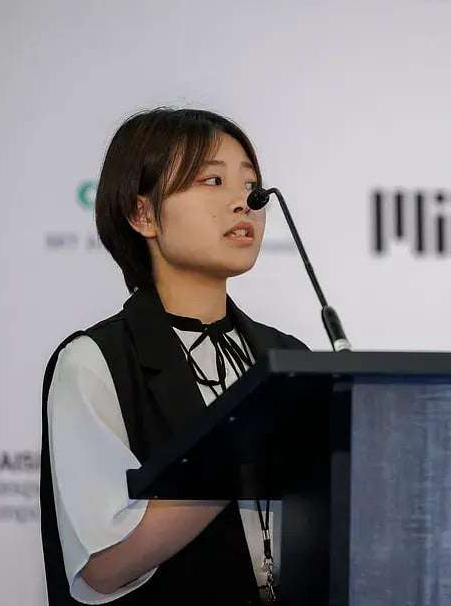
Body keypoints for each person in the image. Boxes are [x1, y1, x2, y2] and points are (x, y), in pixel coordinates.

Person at [40, 107, 306, 605]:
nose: (246, 201)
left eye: (251, 184)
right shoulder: (96, 362)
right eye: (212, 180)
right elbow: (102, 565)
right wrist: (242, 456)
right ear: (143, 214)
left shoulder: (288, 357)